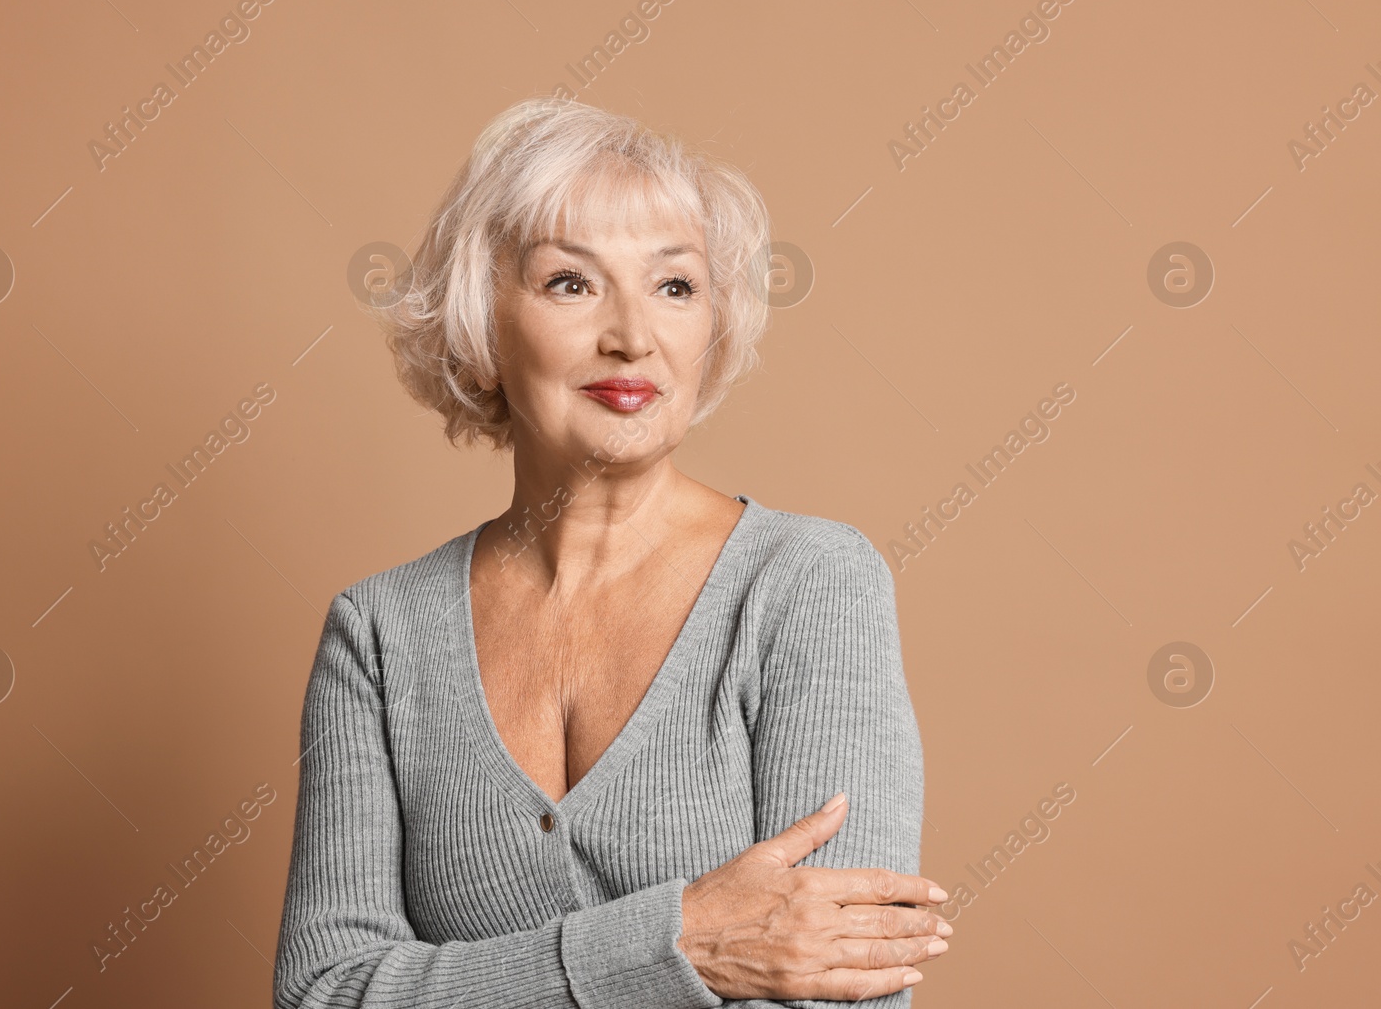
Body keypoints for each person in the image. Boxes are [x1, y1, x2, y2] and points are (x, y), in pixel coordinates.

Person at [273, 95, 949, 1008]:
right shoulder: (382, 632)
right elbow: (324, 993)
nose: (633, 334)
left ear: (710, 334)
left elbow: (842, 996)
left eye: (675, 286)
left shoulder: (808, 585)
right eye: (571, 282)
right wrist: (683, 944)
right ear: (481, 333)